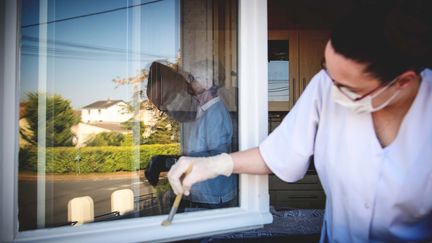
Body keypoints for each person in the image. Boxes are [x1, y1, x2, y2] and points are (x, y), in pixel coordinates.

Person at [167, 3, 432, 242]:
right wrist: (215, 164)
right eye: (326, 69)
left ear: (403, 82)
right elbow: (278, 154)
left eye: (346, 86)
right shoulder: (324, 85)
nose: (331, 89)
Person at [179, 60, 237, 209]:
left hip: (213, 194)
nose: (189, 82)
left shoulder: (215, 113)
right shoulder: (205, 110)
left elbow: (216, 157)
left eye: (193, 78)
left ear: (208, 82)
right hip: (205, 192)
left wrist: (175, 161)